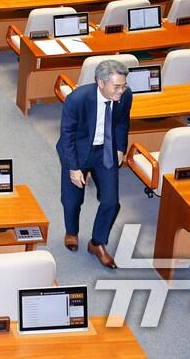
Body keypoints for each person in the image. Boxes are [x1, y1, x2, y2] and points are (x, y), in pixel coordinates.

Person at [56, 59, 132, 268]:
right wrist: (73, 168)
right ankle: (72, 231)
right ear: (101, 82)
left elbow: (122, 123)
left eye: (123, 85)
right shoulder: (77, 99)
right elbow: (67, 136)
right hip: (77, 152)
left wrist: (120, 149)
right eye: (116, 86)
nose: (121, 91)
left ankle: (97, 243)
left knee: (111, 202)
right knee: (72, 200)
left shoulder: (125, 96)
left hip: (105, 151)